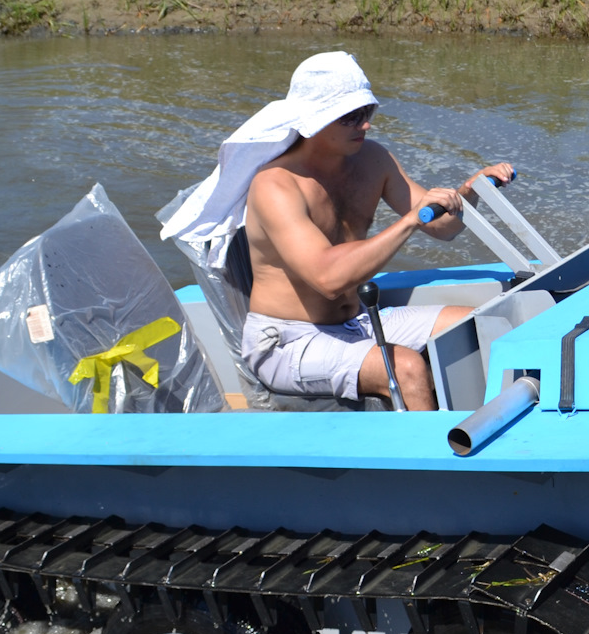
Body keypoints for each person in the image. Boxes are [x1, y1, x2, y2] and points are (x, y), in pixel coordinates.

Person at [160, 52, 510, 410]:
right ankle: (437, 465)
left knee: (473, 325)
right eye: (351, 117)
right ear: (314, 120)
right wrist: (408, 222)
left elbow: (442, 227)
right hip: (287, 341)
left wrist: (468, 191)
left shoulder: (374, 160)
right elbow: (328, 278)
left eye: (368, 113)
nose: (366, 125)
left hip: (355, 321)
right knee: (404, 368)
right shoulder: (276, 186)